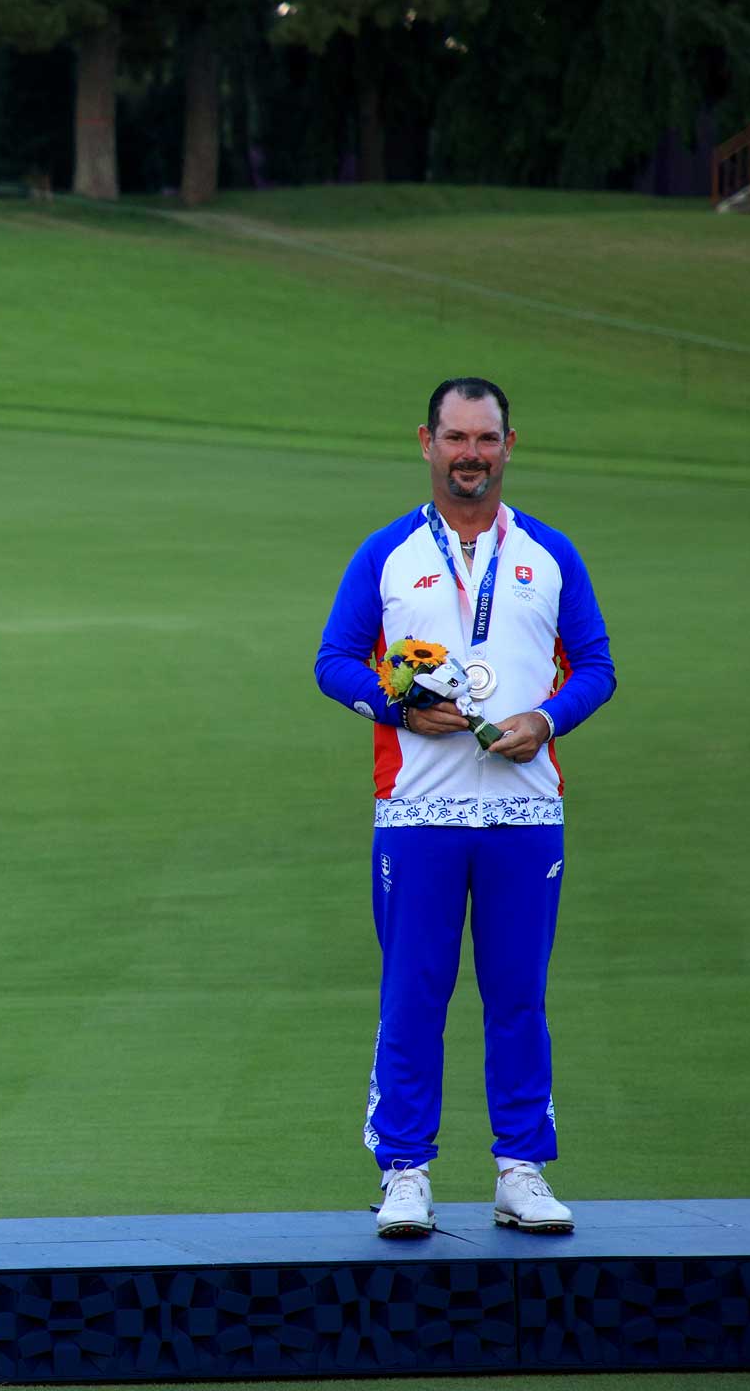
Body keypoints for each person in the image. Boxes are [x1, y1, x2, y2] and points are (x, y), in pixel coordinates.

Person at [313, 377, 615, 1238]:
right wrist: (397, 707)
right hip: (418, 812)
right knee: (415, 991)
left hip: (526, 814)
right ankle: (405, 1172)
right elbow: (335, 661)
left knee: (518, 993)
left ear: (509, 445)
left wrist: (546, 719)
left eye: (486, 439)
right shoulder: (386, 554)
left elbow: (596, 665)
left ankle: (521, 1169)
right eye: (456, 438)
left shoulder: (550, 554)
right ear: (427, 442)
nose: (471, 455)